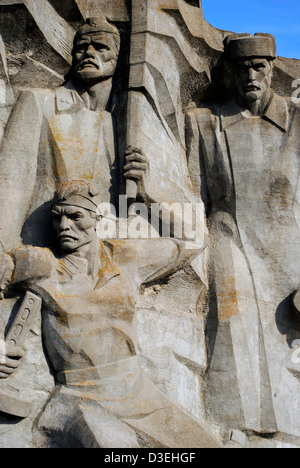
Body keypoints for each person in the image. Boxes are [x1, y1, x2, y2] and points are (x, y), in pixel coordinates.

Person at [0, 180, 219, 448]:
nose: (64, 226)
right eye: (58, 218)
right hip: (78, 399)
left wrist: (145, 196)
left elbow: (195, 240)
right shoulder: (43, 264)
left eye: (75, 216)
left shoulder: (125, 256)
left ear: (97, 217)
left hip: (141, 395)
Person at [186, 33, 300, 440]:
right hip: (227, 239)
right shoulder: (203, 121)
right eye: (241, 68)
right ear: (229, 73)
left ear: (272, 70)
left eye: (258, 67)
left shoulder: (298, 122)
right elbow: (190, 193)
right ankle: (235, 427)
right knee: (232, 326)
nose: (249, 76)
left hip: (288, 257)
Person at [0, 17, 146, 250]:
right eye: (81, 47)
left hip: (104, 254)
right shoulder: (39, 102)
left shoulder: (125, 122)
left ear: (119, 58)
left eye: (100, 47)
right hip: (42, 246)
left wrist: (142, 188)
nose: (88, 53)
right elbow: (10, 185)